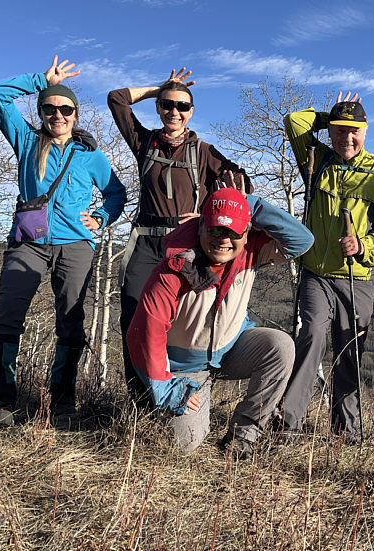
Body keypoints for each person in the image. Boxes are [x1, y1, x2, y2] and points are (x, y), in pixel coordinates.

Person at [126, 174, 314, 459]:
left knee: (280, 346)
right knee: (185, 442)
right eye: (215, 230)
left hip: (232, 349)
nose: (224, 240)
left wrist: (246, 204)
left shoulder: (250, 252)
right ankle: (161, 406)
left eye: (234, 233)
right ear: (201, 226)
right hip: (185, 365)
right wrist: (165, 387)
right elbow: (144, 333)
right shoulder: (174, 269)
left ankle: (244, 435)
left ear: (246, 233)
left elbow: (301, 240)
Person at [0, 56, 127, 428]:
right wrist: (40, 81)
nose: (57, 114)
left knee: (71, 322)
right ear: (42, 111)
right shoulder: (27, 140)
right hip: (28, 242)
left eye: (65, 109)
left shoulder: (90, 155)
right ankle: (0, 402)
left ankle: (62, 403)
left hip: (77, 246)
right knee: (7, 317)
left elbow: (116, 193)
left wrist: (101, 218)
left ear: (76, 114)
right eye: (50, 108)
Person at [107, 70, 251, 401]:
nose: (174, 112)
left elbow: (241, 182)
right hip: (145, 240)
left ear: (191, 111)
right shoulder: (144, 142)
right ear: (158, 108)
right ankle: (142, 401)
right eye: (167, 105)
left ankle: (183, 391)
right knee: (134, 318)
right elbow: (117, 98)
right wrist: (162, 87)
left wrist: (208, 214)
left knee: (179, 324)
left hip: (186, 245)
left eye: (182, 106)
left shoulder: (203, 151)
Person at [277, 92, 374, 443]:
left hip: (356, 277)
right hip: (316, 274)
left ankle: (346, 433)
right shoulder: (316, 159)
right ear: (330, 132)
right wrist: (327, 114)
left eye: (355, 131)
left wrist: (363, 246)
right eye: (339, 130)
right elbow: (293, 122)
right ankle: (287, 426)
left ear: (366, 132)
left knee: (350, 353)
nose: (348, 138)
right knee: (310, 339)